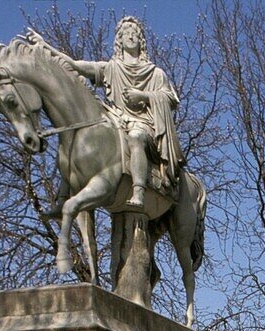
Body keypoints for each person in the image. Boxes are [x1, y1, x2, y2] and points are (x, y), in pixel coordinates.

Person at [28, 17, 184, 209]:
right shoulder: (110, 68)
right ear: (119, 39)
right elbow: (74, 65)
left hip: (144, 124)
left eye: (136, 33)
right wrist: (45, 46)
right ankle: (63, 199)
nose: (131, 36)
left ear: (141, 41)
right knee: (81, 140)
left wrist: (143, 96)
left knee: (136, 137)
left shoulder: (156, 73)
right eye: (126, 33)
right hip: (117, 118)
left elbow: (170, 98)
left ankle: (138, 191)